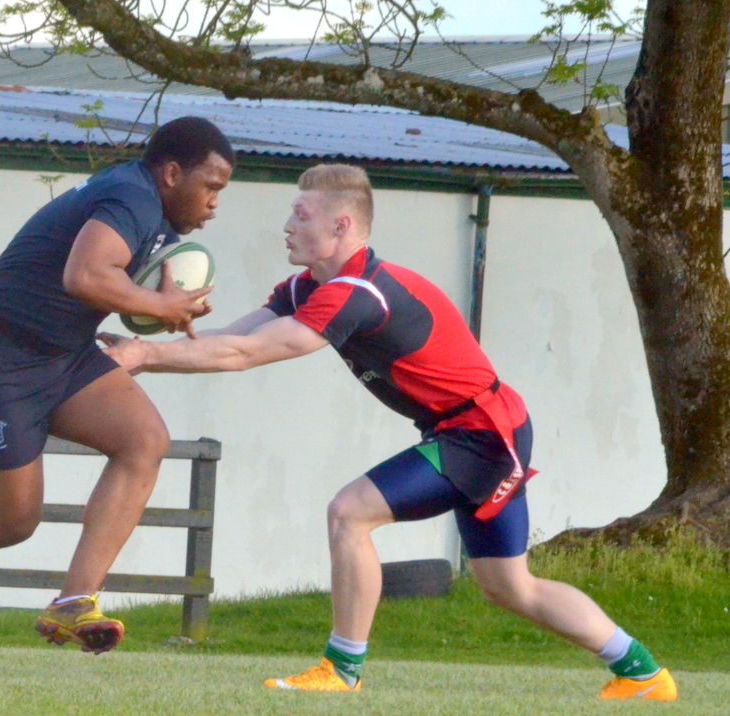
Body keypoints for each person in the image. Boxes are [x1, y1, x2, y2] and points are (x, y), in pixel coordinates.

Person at [101, 164, 676, 699]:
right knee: (508, 587)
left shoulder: (358, 294)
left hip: (481, 433)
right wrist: (143, 340)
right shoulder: (308, 287)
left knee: (349, 513)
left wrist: (145, 355)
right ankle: (644, 673)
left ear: (341, 226)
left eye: (301, 214)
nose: (288, 225)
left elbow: (246, 355)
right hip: (477, 429)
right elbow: (237, 336)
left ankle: (341, 669)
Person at [0, 116, 232, 653]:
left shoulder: (157, 216)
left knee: (144, 440)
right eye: (211, 186)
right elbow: (86, 276)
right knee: (13, 520)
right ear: (171, 174)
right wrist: (159, 304)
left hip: (63, 355)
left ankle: (73, 601)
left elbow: (114, 284)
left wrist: (159, 307)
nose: (214, 203)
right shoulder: (132, 196)